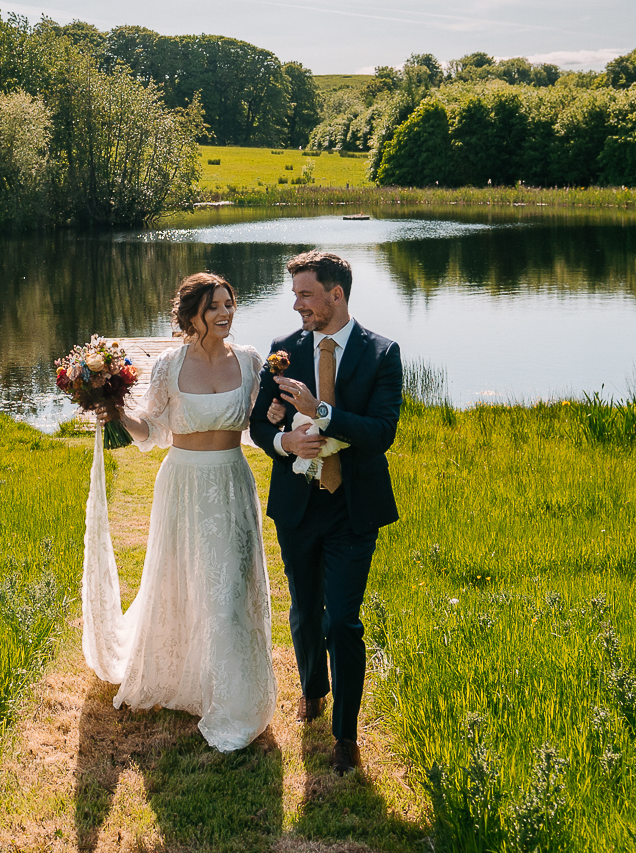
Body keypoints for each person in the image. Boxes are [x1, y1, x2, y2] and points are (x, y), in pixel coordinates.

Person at [80, 272, 277, 753]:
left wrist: (278, 419)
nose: (225, 313)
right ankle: (180, 675)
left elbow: (258, 424)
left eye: (230, 304)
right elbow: (151, 429)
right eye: (214, 307)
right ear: (192, 315)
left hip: (231, 481)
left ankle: (234, 699)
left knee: (230, 587)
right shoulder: (170, 364)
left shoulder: (251, 361)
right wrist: (116, 413)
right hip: (183, 483)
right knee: (182, 578)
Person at [250, 251, 402, 775]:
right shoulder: (283, 352)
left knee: (343, 622)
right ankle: (313, 689)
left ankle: (345, 735)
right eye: (294, 295)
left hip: (353, 508)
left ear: (336, 295)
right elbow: (259, 427)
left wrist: (323, 413)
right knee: (304, 610)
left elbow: (382, 433)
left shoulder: (382, 353)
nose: (297, 306)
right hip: (298, 506)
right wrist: (284, 440)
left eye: (306, 295)